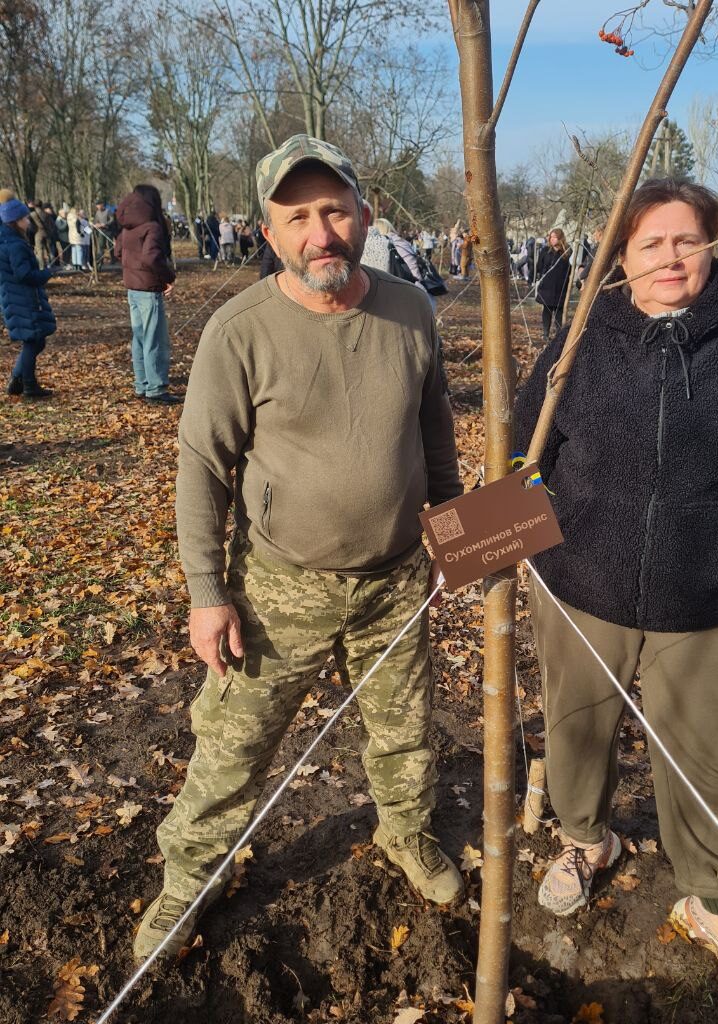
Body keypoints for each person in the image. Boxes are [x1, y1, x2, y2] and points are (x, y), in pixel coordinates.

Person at [133, 135, 465, 965]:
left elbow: (436, 444)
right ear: (268, 231)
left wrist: (457, 540)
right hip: (278, 588)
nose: (322, 232)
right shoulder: (239, 331)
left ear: (362, 215)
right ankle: (189, 883)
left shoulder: (410, 310)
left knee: (405, 733)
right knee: (235, 747)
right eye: (299, 217)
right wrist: (207, 592)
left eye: (335, 210)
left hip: (394, 581)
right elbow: (203, 464)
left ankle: (406, 833)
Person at [515, 178, 718, 1004]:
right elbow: (527, 449)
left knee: (707, 761)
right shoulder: (579, 341)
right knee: (575, 732)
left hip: (710, 602)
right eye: (650, 243)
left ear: (712, 247)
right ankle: (588, 842)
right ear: (622, 255)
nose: (669, 257)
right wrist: (495, 542)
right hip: (580, 588)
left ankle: (710, 899)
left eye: (684, 240)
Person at [114, 184, 180, 404]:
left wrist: (132, 270)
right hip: (148, 289)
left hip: (132, 288)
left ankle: (142, 383)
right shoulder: (152, 227)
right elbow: (152, 258)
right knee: (155, 340)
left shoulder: (128, 225)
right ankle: (156, 388)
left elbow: (117, 251)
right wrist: (167, 277)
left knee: (140, 338)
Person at [0, 198, 56, 398]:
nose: (28, 220)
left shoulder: (8, 241)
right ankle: (29, 386)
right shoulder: (15, 245)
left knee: (35, 341)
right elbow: (23, 275)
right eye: (25, 217)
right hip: (22, 299)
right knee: (34, 341)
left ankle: (18, 379)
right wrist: (46, 274)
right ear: (15, 220)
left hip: (15, 297)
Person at [535, 228, 572, 343]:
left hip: (560, 287)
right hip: (547, 286)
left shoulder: (567, 252)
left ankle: (559, 335)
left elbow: (570, 268)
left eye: (554, 237)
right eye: (551, 237)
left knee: (559, 312)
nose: (552, 239)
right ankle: (545, 334)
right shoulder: (545, 251)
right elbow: (539, 267)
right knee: (547, 309)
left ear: (560, 238)